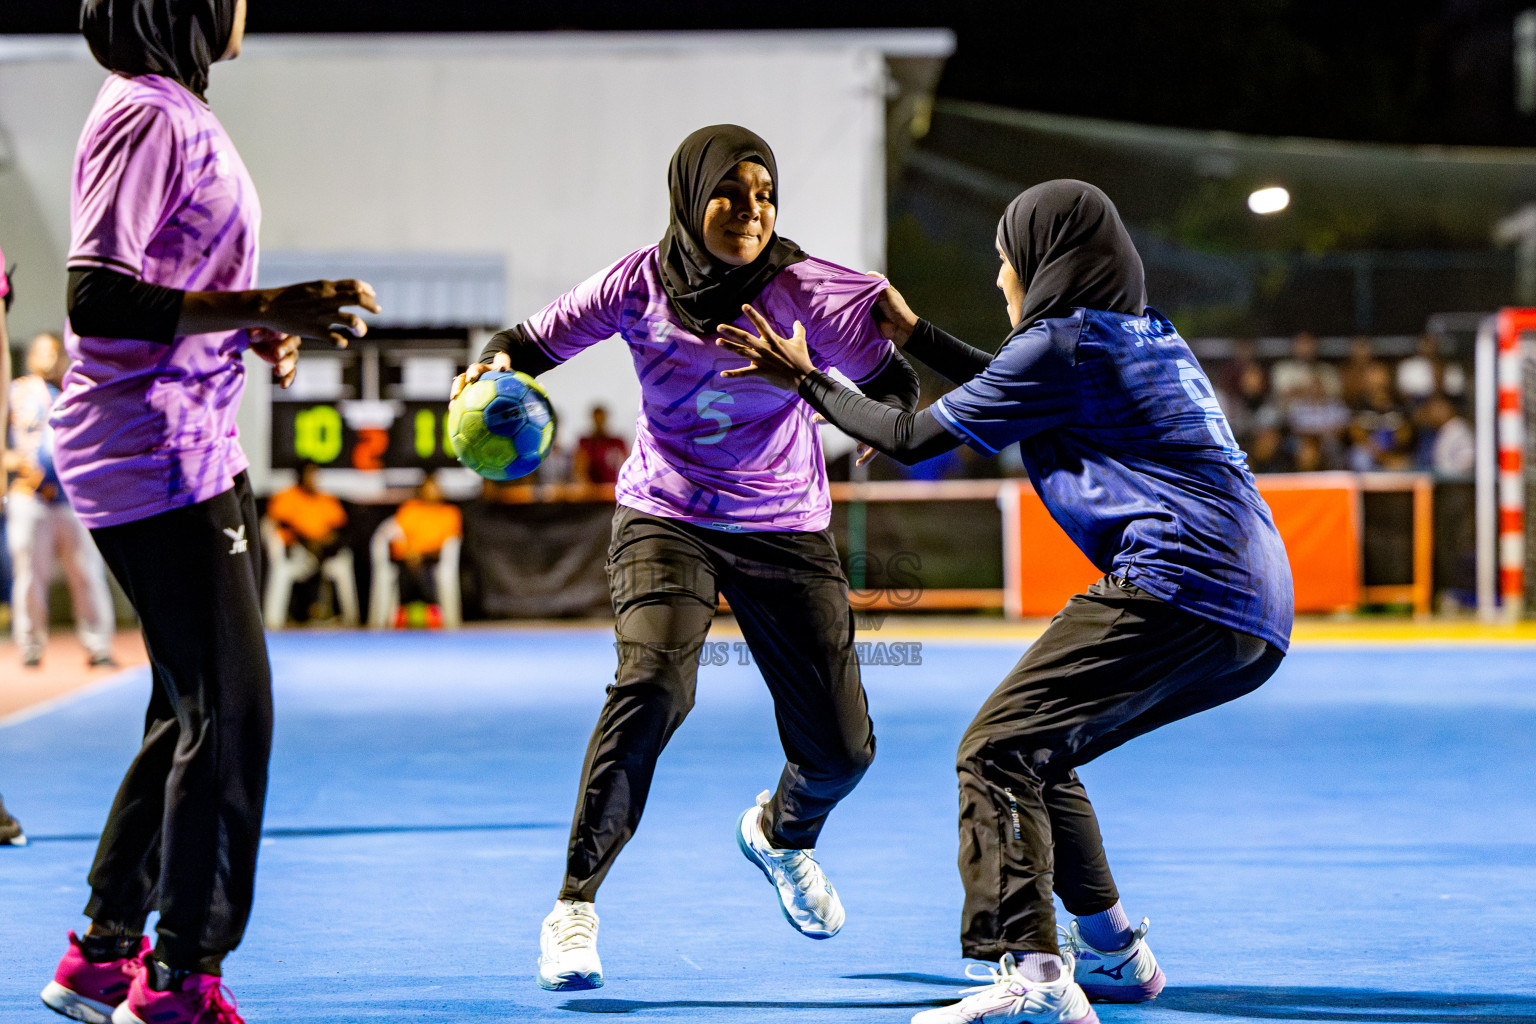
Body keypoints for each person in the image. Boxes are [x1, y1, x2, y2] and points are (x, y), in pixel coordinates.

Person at [718, 179, 1293, 1024]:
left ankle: (1033, 975)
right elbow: (1012, 388)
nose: (999, 279)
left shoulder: (1061, 347)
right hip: (1257, 604)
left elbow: (909, 438)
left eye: (1004, 260)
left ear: (1045, 261)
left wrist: (808, 380)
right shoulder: (1139, 335)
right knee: (1039, 749)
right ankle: (1116, 953)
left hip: (1182, 578)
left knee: (993, 751)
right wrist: (915, 338)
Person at [453, 123, 919, 991]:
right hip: (667, 515)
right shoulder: (637, 283)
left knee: (845, 752)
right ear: (687, 196)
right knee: (654, 684)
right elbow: (526, 340)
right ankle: (574, 905)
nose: (750, 211)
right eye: (730, 193)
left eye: (765, 195)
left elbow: (892, 378)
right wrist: (486, 371)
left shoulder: (806, 290)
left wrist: (877, 423)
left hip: (785, 526)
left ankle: (781, 835)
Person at [39, 3, 380, 1023]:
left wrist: (246, 329)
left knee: (189, 707)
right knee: (233, 713)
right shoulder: (148, 112)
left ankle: (105, 952)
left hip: (184, 442)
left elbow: (168, 282)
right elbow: (97, 296)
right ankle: (182, 978)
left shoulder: (168, 106)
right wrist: (264, 305)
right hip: (152, 453)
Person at [6, 333, 119, 669]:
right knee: (29, 575)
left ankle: (98, 645)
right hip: (30, 495)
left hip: (73, 497)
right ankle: (30, 645)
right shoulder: (14, 391)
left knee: (87, 572)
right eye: (41, 351)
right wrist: (7, 459)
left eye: (54, 352)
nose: (47, 357)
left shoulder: (76, 392)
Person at [264, 460, 348, 622]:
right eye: (309, 474)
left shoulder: (325, 499)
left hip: (323, 551)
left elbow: (341, 528)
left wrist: (329, 540)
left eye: (315, 475)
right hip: (294, 550)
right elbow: (280, 524)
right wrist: (308, 541)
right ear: (300, 476)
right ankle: (308, 610)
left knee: (327, 555)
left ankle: (325, 611)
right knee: (310, 554)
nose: (313, 479)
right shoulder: (286, 497)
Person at [389, 471, 462, 627]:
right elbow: (397, 536)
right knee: (403, 571)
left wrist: (422, 555)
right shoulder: (410, 509)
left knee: (427, 570)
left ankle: (433, 609)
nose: (432, 491)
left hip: (434, 558)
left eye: (435, 487)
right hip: (407, 558)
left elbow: (451, 543)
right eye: (428, 487)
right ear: (421, 490)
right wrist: (409, 553)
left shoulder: (450, 513)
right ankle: (403, 610)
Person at [571, 404, 628, 485]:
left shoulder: (617, 443)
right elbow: (579, 469)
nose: (599, 422)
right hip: (591, 490)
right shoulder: (585, 443)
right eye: (596, 419)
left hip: (613, 488)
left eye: (601, 418)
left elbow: (626, 465)